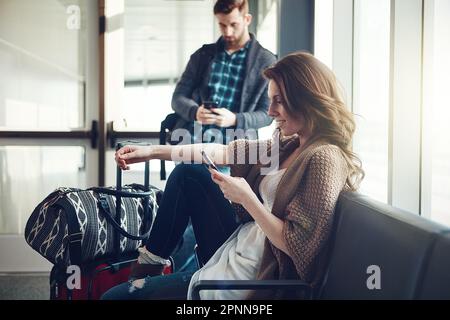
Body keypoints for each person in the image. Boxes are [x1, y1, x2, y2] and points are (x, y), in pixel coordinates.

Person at [102, 51, 364, 300]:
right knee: (189, 174)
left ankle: (144, 275)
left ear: (305, 99)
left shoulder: (323, 158)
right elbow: (223, 152)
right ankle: (148, 267)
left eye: (278, 101)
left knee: (114, 298)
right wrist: (151, 152)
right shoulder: (291, 145)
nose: (270, 111)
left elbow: (302, 252)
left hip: (252, 278)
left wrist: (248, 198)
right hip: (237, 252)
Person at [170, 0, 276, 145]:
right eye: (222, 25)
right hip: (192, 145)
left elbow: (267, 114)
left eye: (233, 25)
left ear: (247, 19)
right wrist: (195, 112)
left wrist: (235, 119)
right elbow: (178, 98)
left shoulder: (266, 61)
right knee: (185, 168)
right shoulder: (202, 55)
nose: (227, 32)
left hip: (236, 152)